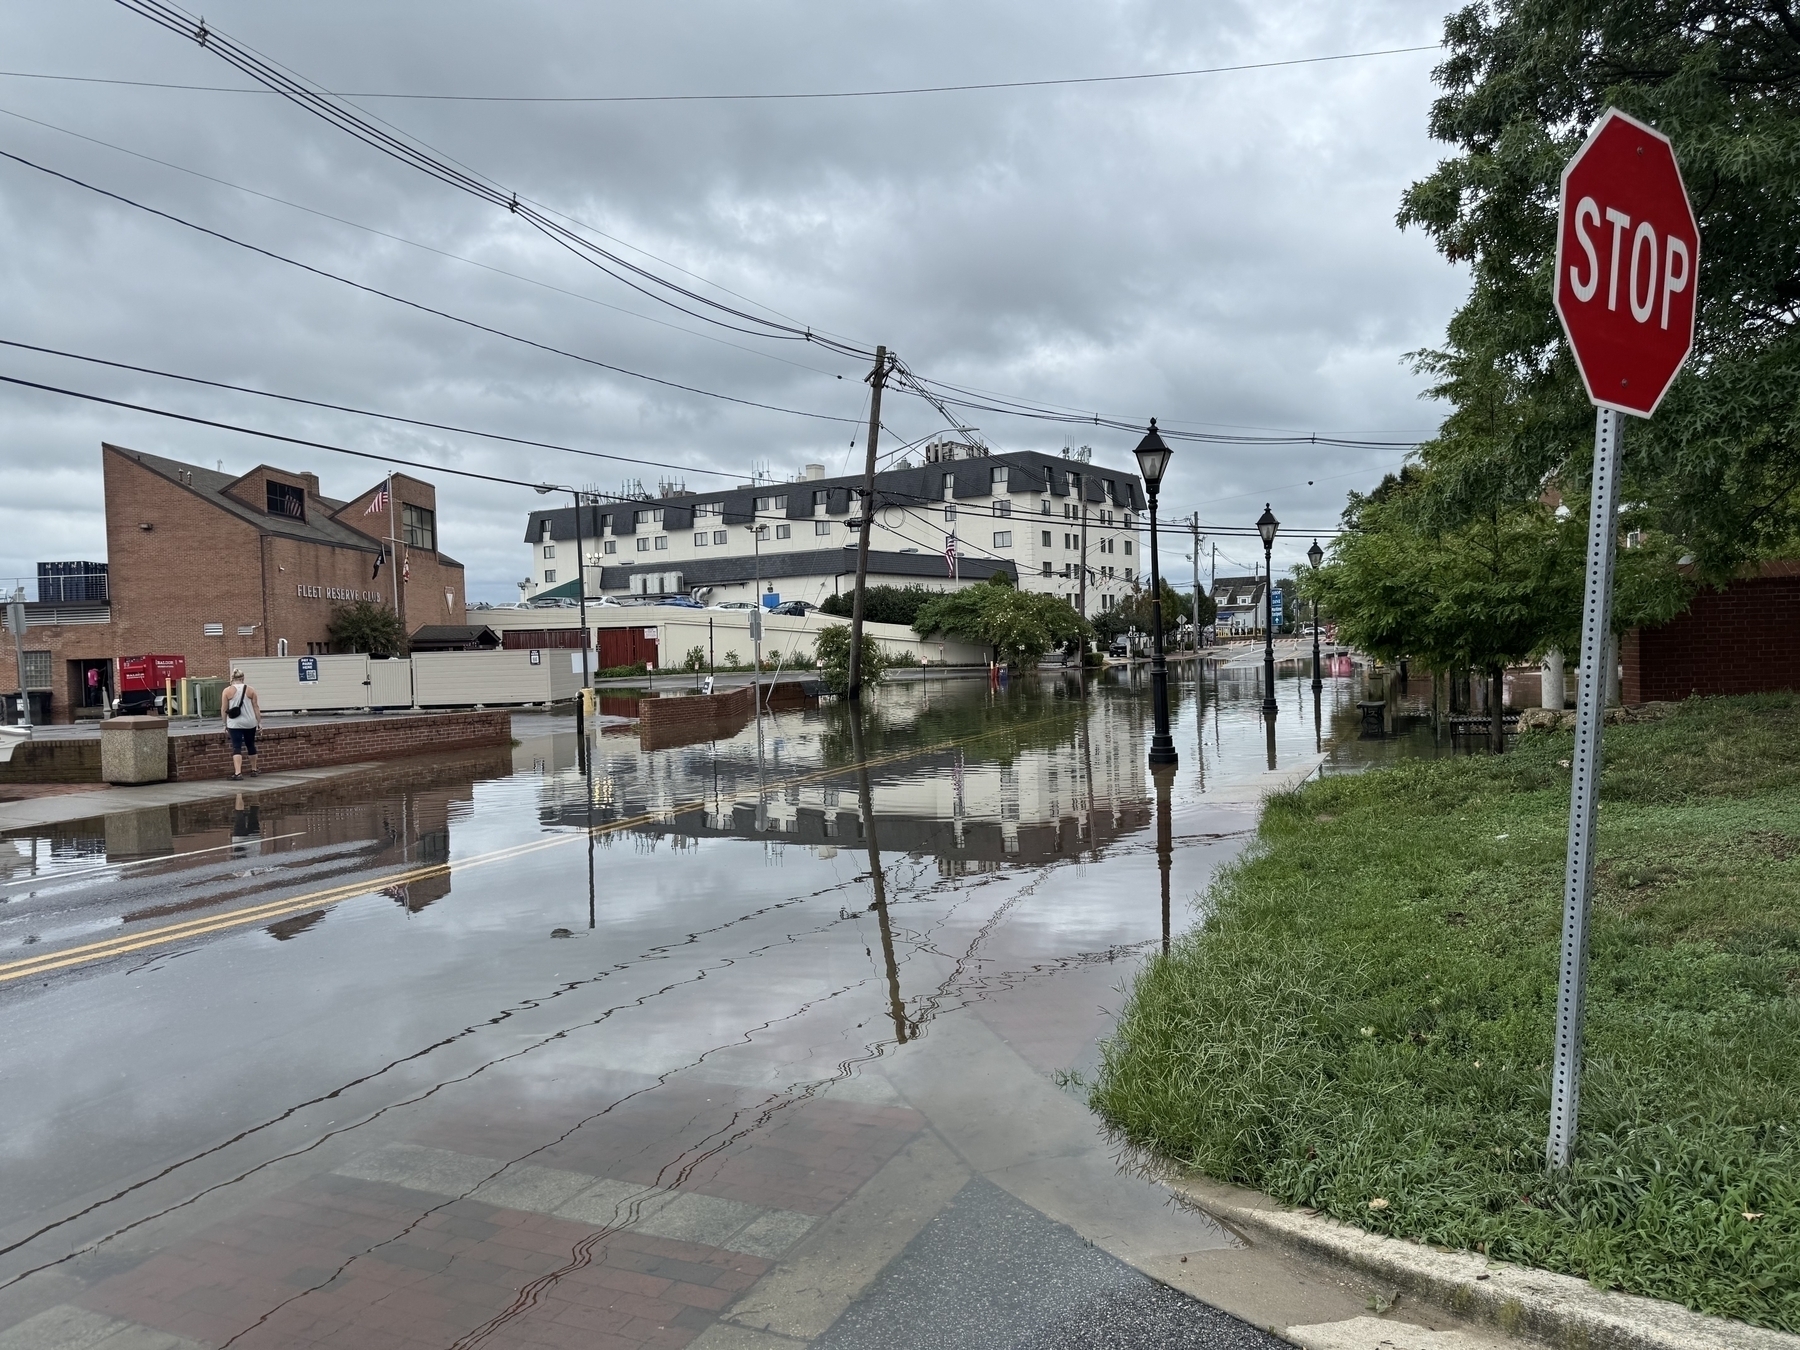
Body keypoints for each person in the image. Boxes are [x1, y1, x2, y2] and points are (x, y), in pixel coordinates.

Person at [222, 667, 262, 779]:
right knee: (251, 745)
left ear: (232, 678)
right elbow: (256, 707)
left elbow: (224, 708)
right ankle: (254, 770)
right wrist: (259, 722)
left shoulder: (227, 691)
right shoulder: (251, 690)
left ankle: (238, 773)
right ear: (243, 678)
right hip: (250, 722)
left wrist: (224, 724)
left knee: (237, 747)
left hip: (234, 723)